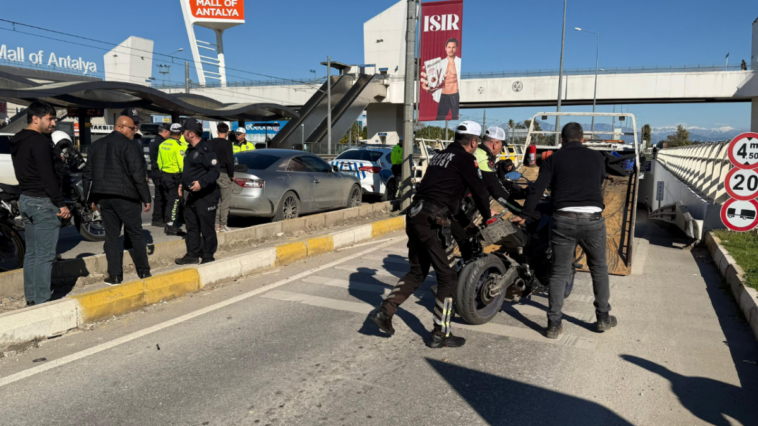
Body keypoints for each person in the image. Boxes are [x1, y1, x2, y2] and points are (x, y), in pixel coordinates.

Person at [370, 121, 492, 348]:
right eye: (477, 143)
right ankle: (440, 333)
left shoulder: (439, 157)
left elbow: (446, 193)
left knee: (417, 272)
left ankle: (384, 312)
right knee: (448, 277)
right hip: (434, 220)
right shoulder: (466, 158)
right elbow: (480, 190)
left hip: (415, 215)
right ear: (474, 142)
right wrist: (488, 217)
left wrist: (463, 224)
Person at [511, 122, 615, 339]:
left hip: (563, 220)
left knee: (559, 271)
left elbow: (538, 189)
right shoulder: (597, 158)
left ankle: (554, 324)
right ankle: (603, 318)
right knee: (598, 268)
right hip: (593, 219)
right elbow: (598, 181)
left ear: (562, 140)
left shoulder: (553, 159)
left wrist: (525, 214)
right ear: (583, 139)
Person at [10, 101, 70, 306]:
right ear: (35, 119)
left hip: (26, 199)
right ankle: (43, 301)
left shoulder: (18, 140)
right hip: (43, 202)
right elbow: (47, 177)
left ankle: (32, 299)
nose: (54, 123)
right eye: (50, 119)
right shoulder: (39, 142)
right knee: (45, 256)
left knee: (32, 255)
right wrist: (61, 204)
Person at [83, 116, 152, 285]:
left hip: (104, 199)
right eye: (132, 128)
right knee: (136, 234)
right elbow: (138, 175)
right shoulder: (130, 145)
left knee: (112, 237)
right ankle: (143, 272)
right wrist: (146, 198)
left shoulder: (95, 146)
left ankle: (114, 276)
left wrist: (89, 199)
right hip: (126, 197)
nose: (134, 132)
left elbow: (87, 175)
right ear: (121, 127)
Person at [175, 118, 220, 265]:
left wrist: (201, 183)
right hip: (192, 196)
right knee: (191, 226)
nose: (182, 134)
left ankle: (208, 255)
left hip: (206, 196)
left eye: (184, 132)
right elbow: (190, 171)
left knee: (206, 227)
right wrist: (182, 184)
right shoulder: (190, 149)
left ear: (191, 134)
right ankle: (192, 254)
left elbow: (214, 172)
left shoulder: (206, 150)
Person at [157, 123, 188, 236]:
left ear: (170, 132)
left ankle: (169, 223)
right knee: (174, 201)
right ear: (180, 134)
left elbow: (159, 162)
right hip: (175, 176)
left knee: (168, 200)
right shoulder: (179, 146)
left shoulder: (163, 144)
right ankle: (170, 226)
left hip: (164, 175)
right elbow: (181, 165)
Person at [421, 38, 461, 120]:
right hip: (443, 95)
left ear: (456, 48)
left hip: (455, 94)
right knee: (439, 119)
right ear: (445, 48)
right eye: (449, 47)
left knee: (455, 117)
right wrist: (428, 81)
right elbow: (433, 79)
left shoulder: (460, 62)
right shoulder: (440, 64)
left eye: (453, 47)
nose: (451, 50)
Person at [209, 123, 235, 232]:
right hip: (224, 173)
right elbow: (229, 160)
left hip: (212, 173)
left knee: (216, 201)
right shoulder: (227, 143)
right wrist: (231, 174)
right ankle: (223, 225)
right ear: (227, 133)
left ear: (217, 131)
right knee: (225, 201)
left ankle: (215, 225)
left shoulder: (210, 142)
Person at [149, 123, 171, 227]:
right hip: (160, 171)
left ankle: (158, 218)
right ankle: (158, 218)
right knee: (162, 195)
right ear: (165, 132)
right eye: (169, 133)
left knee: (159, 194)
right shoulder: (163, 143)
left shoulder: (153, 141)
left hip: (154, 170)